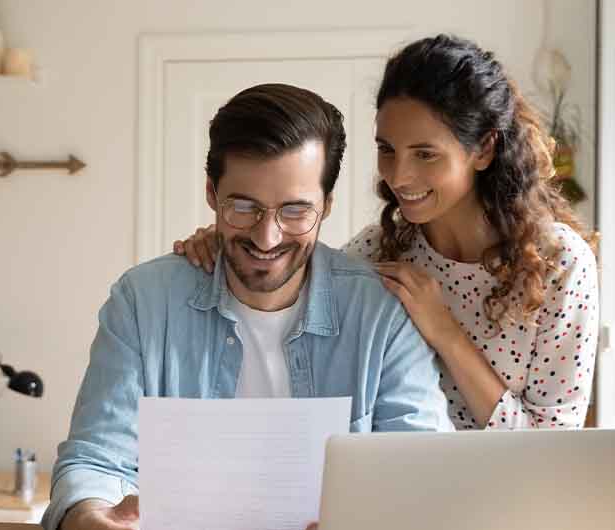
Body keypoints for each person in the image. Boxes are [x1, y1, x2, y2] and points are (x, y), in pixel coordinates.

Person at [42, 83, 451, 530]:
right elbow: (95, 458)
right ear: (212, 194)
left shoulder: (383, 314)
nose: (267, 238)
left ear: (327, 206)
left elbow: (421, 479)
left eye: (295, 211)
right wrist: (87, 517)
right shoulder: (143, 301)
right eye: (244, 207)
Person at [175, 34, 600, 432]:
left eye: (425, 154)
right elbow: (285, 275)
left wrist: (444, 332)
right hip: (399, 495)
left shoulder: (560, 265)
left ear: (484, 149)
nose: (399, 175)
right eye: (387, 149)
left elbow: (549, 445)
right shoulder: (378, 252)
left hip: (511, 505)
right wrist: (233, 240)